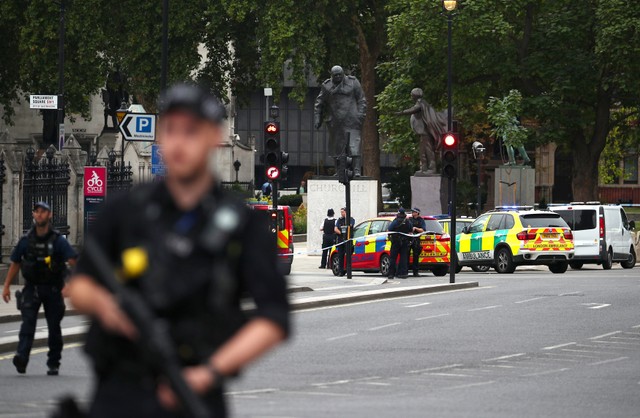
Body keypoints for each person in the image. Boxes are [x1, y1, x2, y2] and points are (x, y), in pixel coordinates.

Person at [65, 83, 290, 418]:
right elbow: (79, 285)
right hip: (119, 391)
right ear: (159, 138)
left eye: (191, 131)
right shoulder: (124, 211)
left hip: (193, 391)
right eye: (171, 130)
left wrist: (209, 372)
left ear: (215, 136)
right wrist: (106, 306)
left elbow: (274, 318)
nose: (179, 142)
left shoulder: (240, 225)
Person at [2, 201, 77, 376]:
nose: (40, 214)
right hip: (32, 288)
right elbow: (15, 263)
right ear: (34, 215)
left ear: (49, 215)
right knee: (27, 324)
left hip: (53, 289)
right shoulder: (26, 241)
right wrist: (6, 286)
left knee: (53, 327)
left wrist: (72, 285)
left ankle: (53, 362)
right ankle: (21, 357)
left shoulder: (58, 241)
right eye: (37, 211)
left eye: (43, 211)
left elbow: (74, 262)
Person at [314, 65, 367, 176]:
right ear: (331, 75)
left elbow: (361, 99)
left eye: (340, 74)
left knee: (354, 145)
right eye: (335, 75)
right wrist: (317, 118)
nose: (338, 77)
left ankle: (357, 170)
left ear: (343, 73)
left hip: (352, 119)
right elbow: (319, 103)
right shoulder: (327, 86)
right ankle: (339, 171)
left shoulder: (353, 82)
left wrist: (361, 115)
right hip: (335, 121)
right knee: (336, 147)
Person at [395, 88, 448, 175]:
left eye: (412, 95)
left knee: (427, 150)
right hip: (423, 134)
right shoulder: (422, 103)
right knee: (422, 151)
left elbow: (413, 109)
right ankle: (424, 168)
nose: (411, 97)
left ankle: (432, 168)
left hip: (425, 134)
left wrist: (401, 112)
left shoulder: (421, 103)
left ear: (415, 95)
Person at [388, 208, 413, 279]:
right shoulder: (407, 221)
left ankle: (391, 274)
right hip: (405, 242)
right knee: (404, 258)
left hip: (396, 242)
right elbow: (411, 229)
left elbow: (389, 229)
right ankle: (403, 273)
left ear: (398, 213)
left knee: (393, 258)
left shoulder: (395, 221)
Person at [334, 207, 355, 277]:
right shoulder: (339, 220)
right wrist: (340, 233)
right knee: (340, 256)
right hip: (341, 241)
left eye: (343, 212)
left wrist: (347, 218)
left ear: (346, 212)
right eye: (341, 212)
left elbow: (350, 226)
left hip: (348, 241)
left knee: (348, 256)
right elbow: (335, 228)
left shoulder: (351, 219)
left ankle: (348, 270)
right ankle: (341, 271)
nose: (341, 213)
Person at [408, 208, 427, 277]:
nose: (412, 213)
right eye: (412, 212)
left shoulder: (421, 220)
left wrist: (416, 228)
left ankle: (415, 272)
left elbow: (423, 230)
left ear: (417, 213)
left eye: (414, 212)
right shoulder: (409, 219)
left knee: (416, 256)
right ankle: (405, 271)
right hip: (409, 239)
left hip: (416, 240)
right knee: (407, 255)